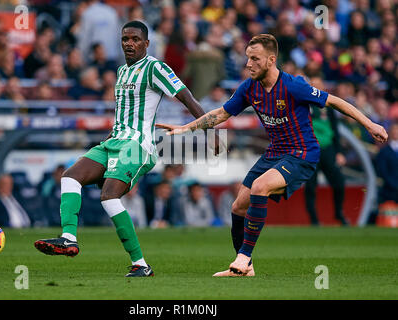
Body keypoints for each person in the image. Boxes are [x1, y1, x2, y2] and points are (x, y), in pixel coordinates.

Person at [156, 34, 388, 277]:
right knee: (238, 206)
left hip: (302, 154)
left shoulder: (293, 85)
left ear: (271, 59)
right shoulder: (249, 88)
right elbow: (221, 113)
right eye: (247, 58)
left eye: (254, 59)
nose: (248, 64)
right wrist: (185, 128)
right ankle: (245, 267)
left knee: (260, 187)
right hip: (274, 153)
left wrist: (369, 124)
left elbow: (335, 101)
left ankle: (244, 257)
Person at [34, 21, 209, 277]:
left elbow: (186, 97)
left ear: (146, 43)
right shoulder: (121, 72)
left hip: (138, 145)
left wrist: (209, 127)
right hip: (114, 141)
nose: (129, 43)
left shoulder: (155, 67)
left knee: (109, 196)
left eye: (135, 39)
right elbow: (123, 114)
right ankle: (69, 238)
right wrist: (108, 139)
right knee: (70, 177)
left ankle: (141, 264)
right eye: (125, 38)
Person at [304, 77, 349, 226]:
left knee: (339, 182)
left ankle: (339, 213)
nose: (316, 88)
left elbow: (335, 130)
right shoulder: (304, 104)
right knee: (310, 186)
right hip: (310, 150)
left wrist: (339, 152)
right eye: (314, 85)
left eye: (319, 85)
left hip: (328, 150)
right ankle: (314, 219)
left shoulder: (328, 106)